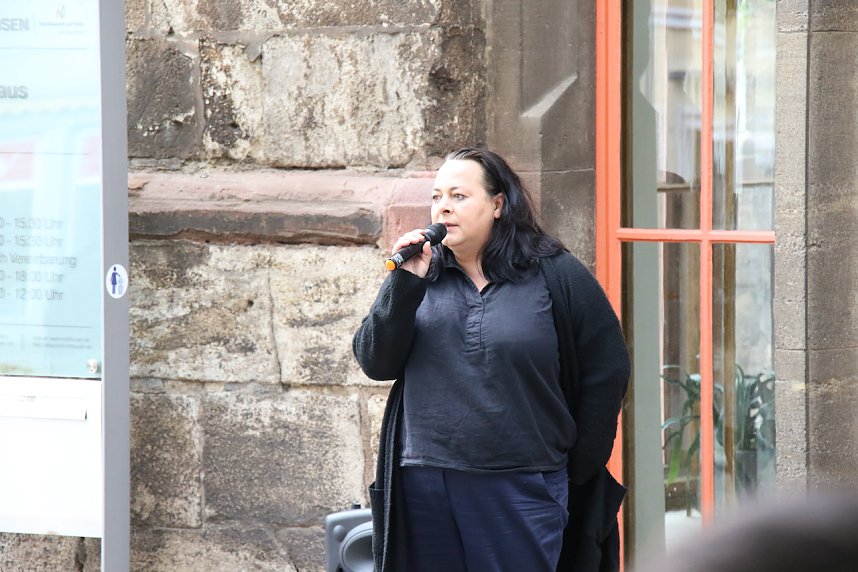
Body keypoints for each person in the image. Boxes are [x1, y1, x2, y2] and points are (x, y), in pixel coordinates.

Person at [353, 148, 630, 571]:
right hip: (423, 482)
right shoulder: (419, 275)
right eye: (436, 196)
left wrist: (576, 466)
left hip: (521, 485)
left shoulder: (554, 274)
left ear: (498, 205)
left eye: (459, 196)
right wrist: (403, 285)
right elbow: (376, 362)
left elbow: (606, 367)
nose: (443, 205)